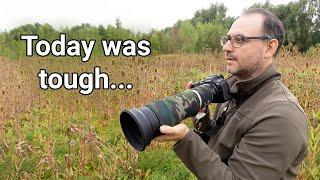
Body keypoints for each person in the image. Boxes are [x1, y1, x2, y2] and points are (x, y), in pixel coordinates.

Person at [154, 8, 308, 179]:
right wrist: (201, 116)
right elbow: (218, 147)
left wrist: (185, 138)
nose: (226, 48)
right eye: (227, 39)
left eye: (239, 40)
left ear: (269, 47)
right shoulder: (234, 87)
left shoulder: (281, 116)